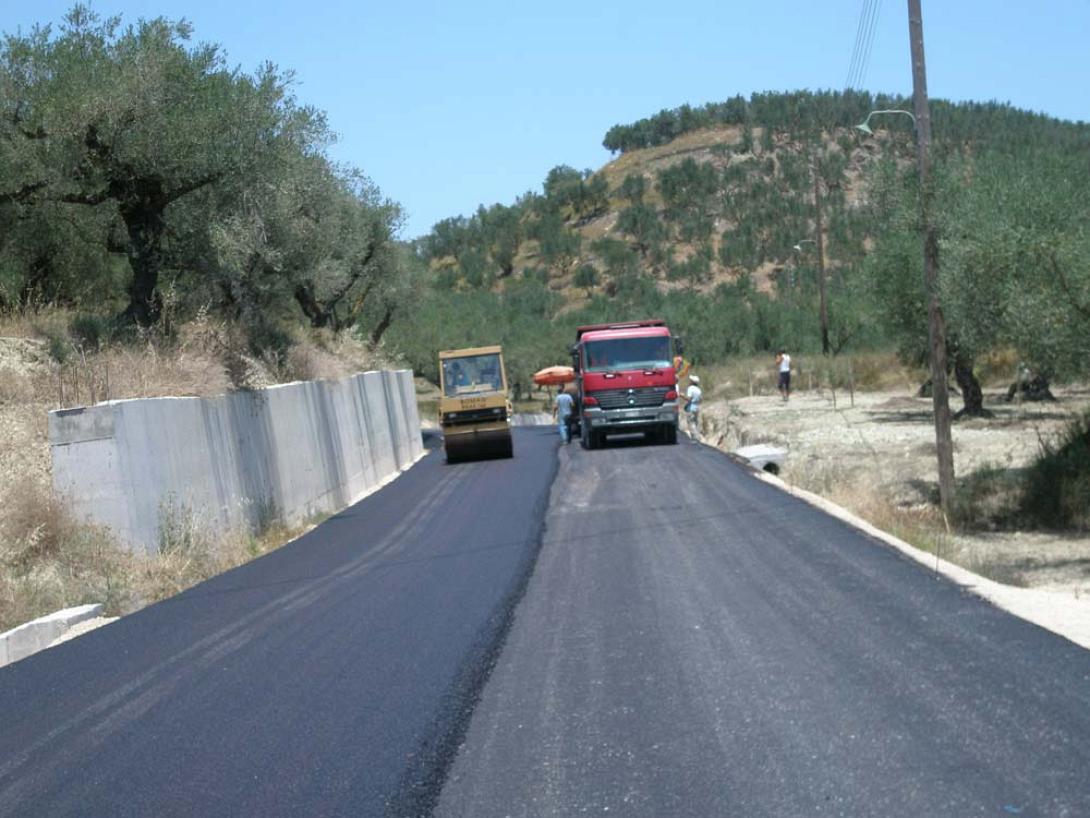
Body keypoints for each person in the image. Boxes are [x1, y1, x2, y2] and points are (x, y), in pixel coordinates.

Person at [684, 374, 702, 441]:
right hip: (697, 407)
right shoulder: (699, 390)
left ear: (692, 382)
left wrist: (682, 396)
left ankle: (696, 438)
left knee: (691, 423)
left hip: (691, 407)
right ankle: (696, 437)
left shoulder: (690, 388)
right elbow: (700, 399)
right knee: (695, 422)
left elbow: (689, 399)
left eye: (690, 380)